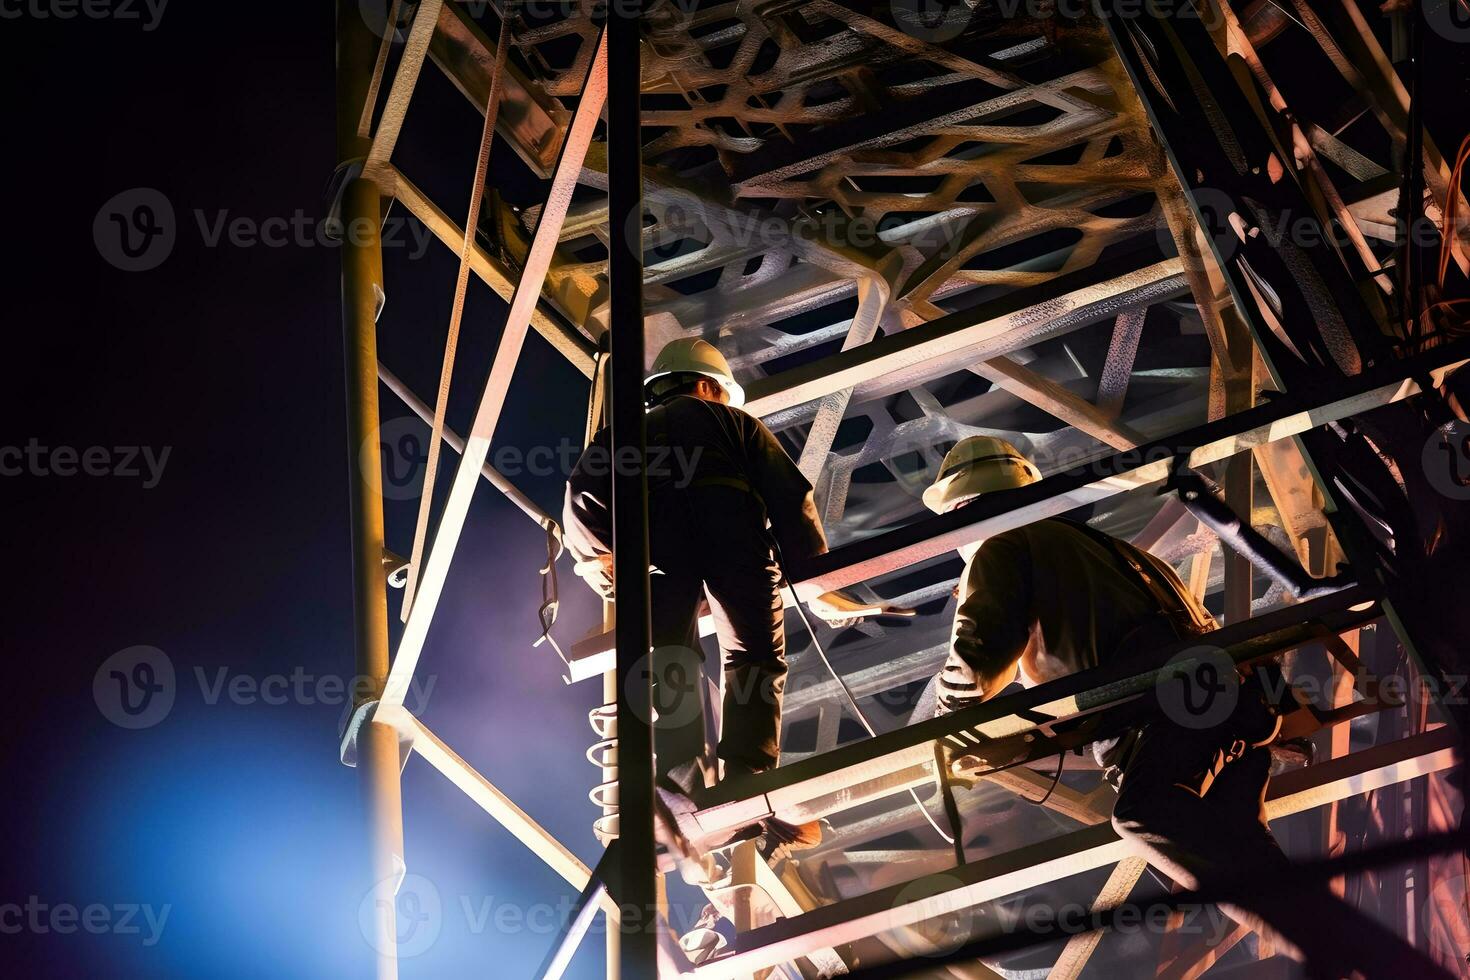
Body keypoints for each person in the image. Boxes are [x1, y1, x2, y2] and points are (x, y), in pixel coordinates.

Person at [924, 435, 1447, 978]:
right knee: (1248, 862)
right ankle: (1366, 959)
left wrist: (947, 718)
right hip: (1232, 712)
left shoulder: (1003, 548)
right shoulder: (1113, 551)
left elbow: (981, 654)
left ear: (964, 509)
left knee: (1141, 815)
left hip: (1171, 718)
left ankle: (1354, 956)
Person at [564, 338, 896, 848]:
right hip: (734, 538)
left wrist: (617, 575)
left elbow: (583, 504)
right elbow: (790, 497)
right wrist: (817, 584)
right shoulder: (737, 424)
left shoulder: (621, 436)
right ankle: (748, 781)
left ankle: (680, 781)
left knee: (667, 657)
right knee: (754, 658)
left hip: (656, 546)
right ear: (706, 385)